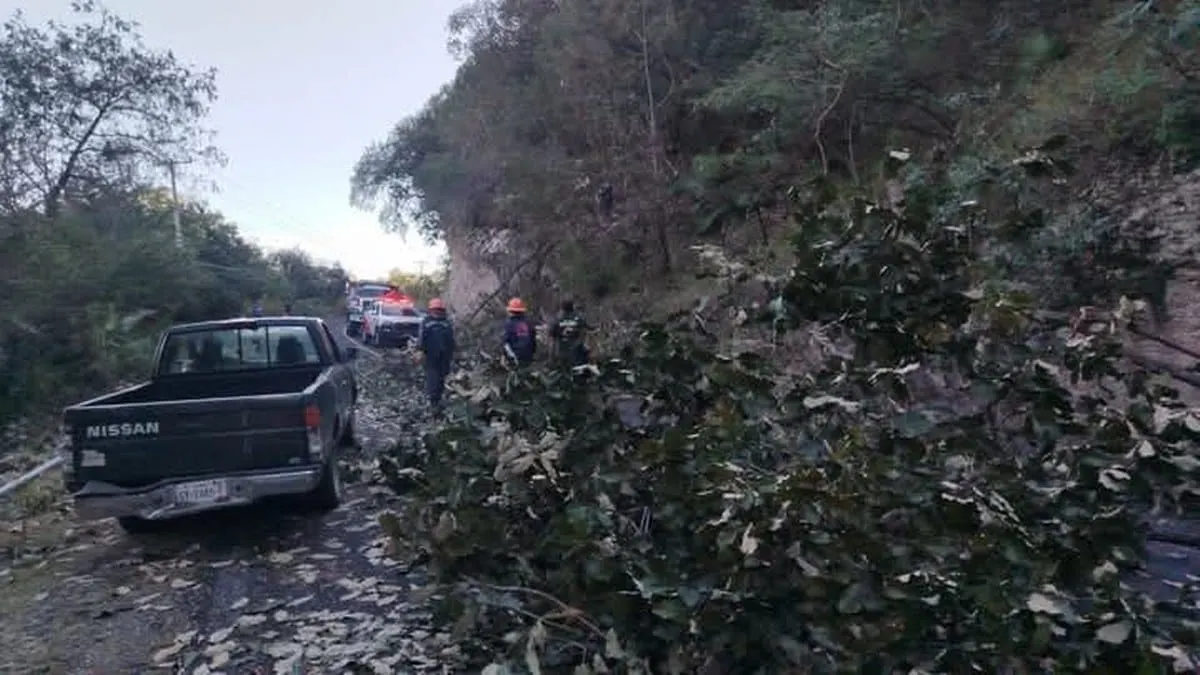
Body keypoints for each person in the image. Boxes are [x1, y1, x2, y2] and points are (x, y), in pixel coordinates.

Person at [417, 297, 456, 413]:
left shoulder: (446, 323)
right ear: (431, 310)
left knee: (442, 378)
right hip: (431, 355)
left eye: (439, 309)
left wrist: (453, 351)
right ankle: (432, 401)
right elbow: (421, 337)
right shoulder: (426, 322)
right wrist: (420, 350)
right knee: (432, 378)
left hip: (445, 356)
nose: (437, 312)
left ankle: (438, 399)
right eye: (435, 309)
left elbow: (451, 339)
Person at [549, 298, 590, 367]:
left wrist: (551, 356)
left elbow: (552, 335)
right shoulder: (578, 318)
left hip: (561, 351)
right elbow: (587, 328)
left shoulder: (558, 319)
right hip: (576, 351)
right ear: (572, 307)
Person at [502, 297, 536, 365]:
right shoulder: (528, 323)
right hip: (529, 356)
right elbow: (533, 340)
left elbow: (505, 343)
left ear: (510, 311)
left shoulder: (509, 324)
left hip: (515, 357)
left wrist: (504, 356)